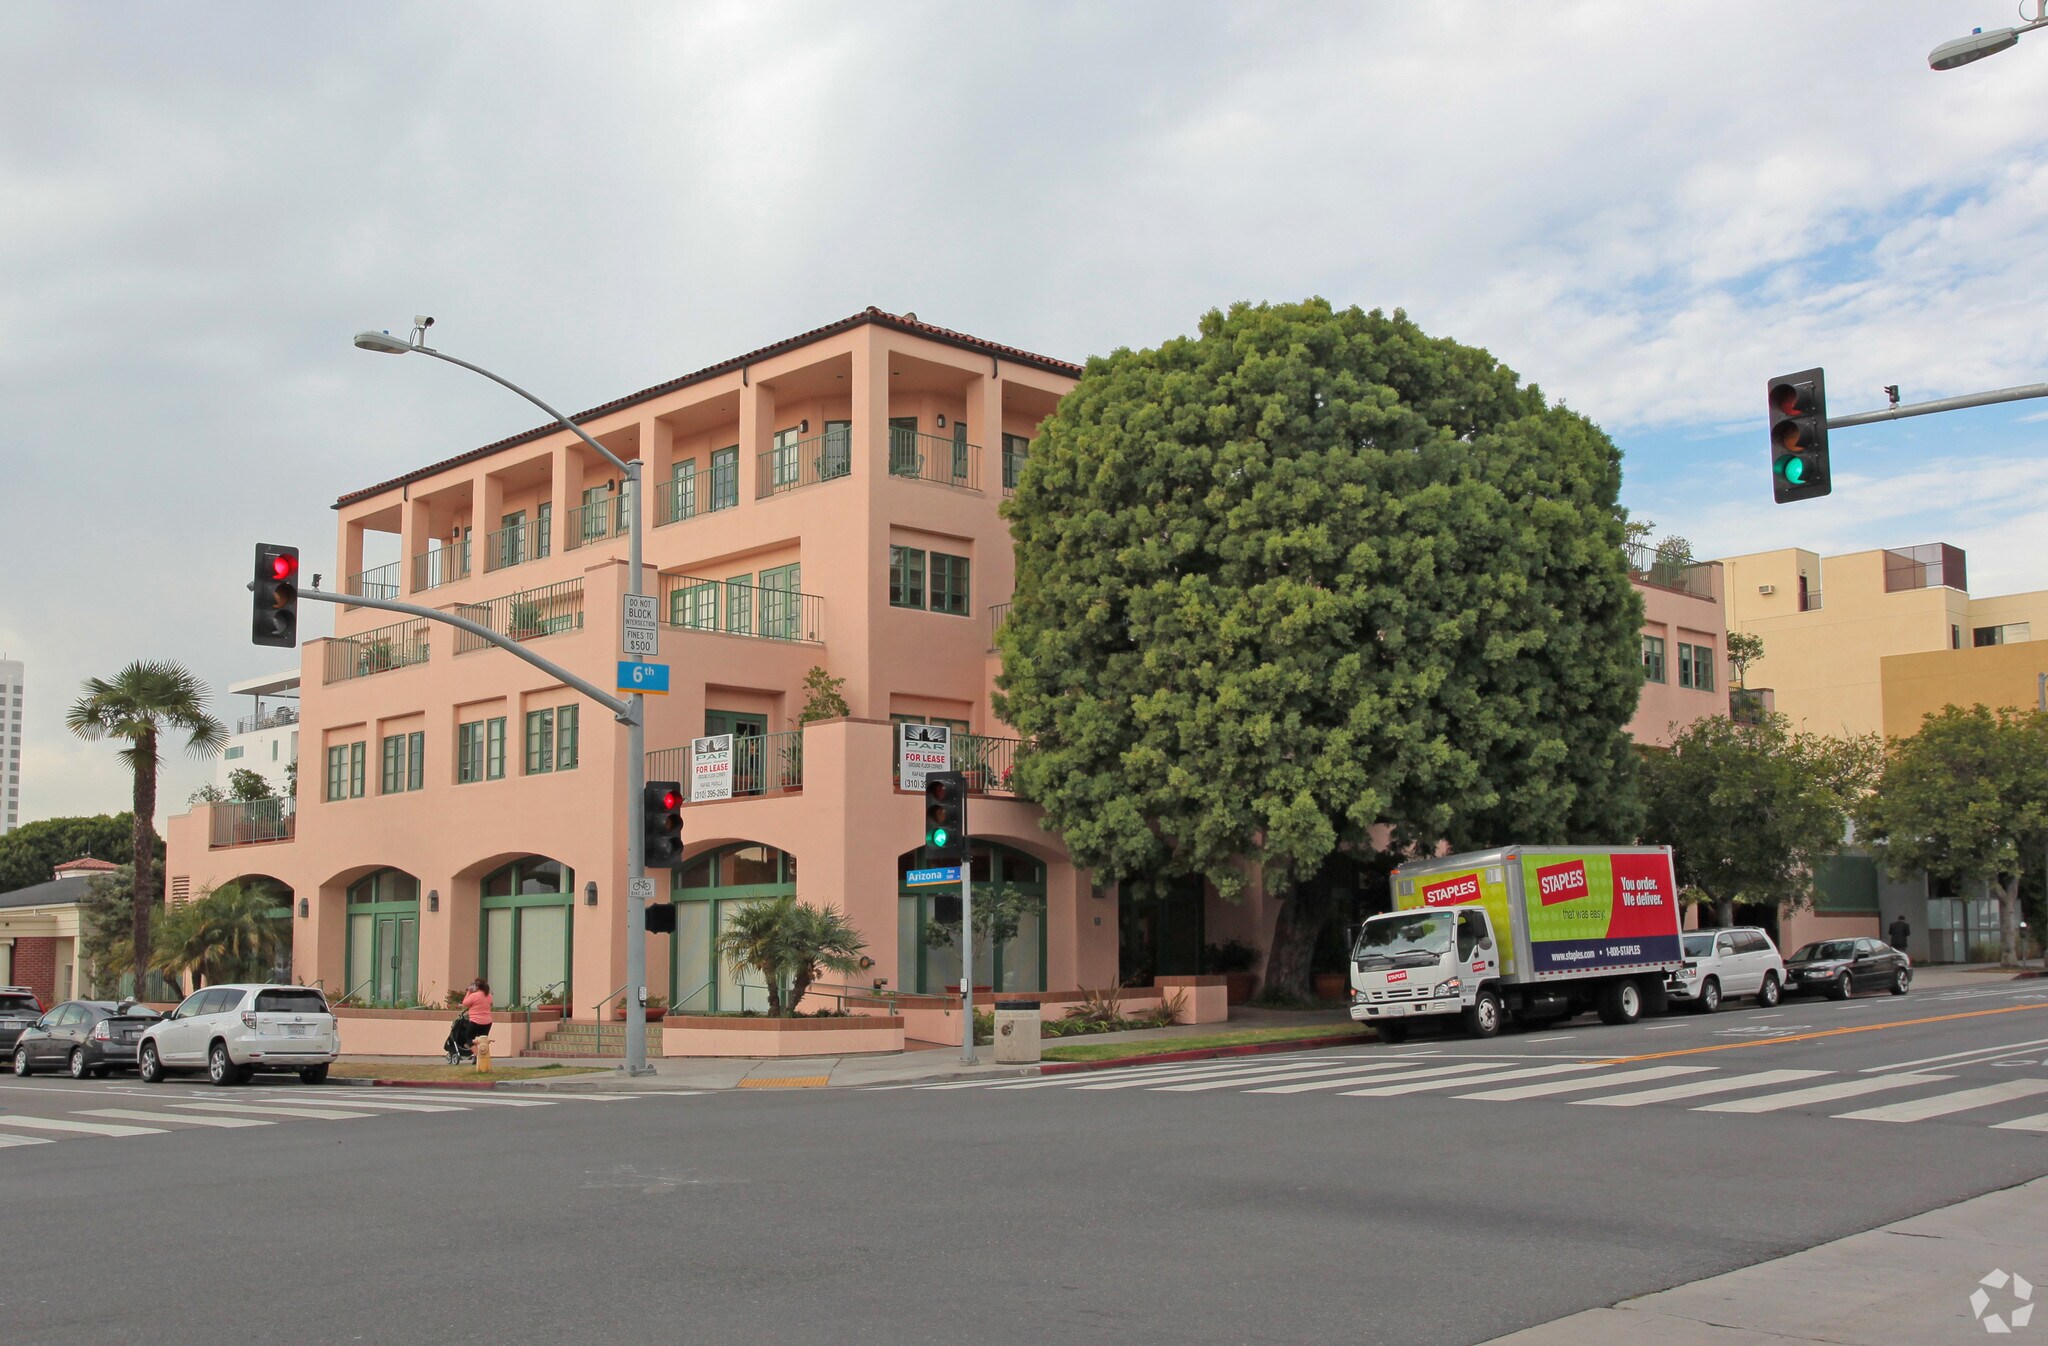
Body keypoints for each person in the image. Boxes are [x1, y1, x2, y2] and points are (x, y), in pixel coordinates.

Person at [444, 978, 494, 1064]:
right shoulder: (488, 995)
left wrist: (469, 992)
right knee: (482, 1040)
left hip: (475, 1021)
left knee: (469, 1038)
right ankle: (480, 1055)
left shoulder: (474, 996)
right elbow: (489, 1003)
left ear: (477, 986)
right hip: (487, 1022)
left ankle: (478, 1056)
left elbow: (465, 1003)